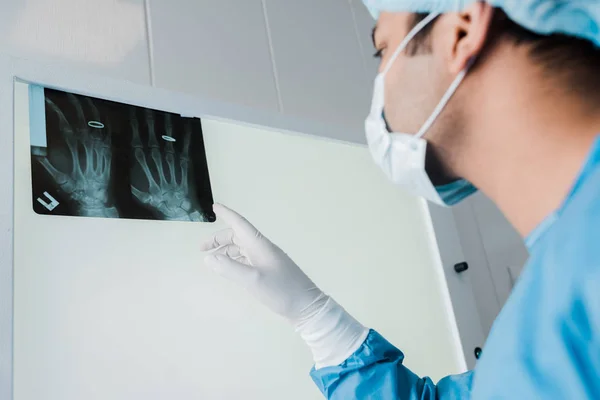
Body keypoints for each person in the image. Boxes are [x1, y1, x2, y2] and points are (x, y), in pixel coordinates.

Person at [199, 0, 600, 398]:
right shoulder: (558, 295)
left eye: (383, 49)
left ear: (460, 31)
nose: (379, 89)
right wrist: (317, 321)